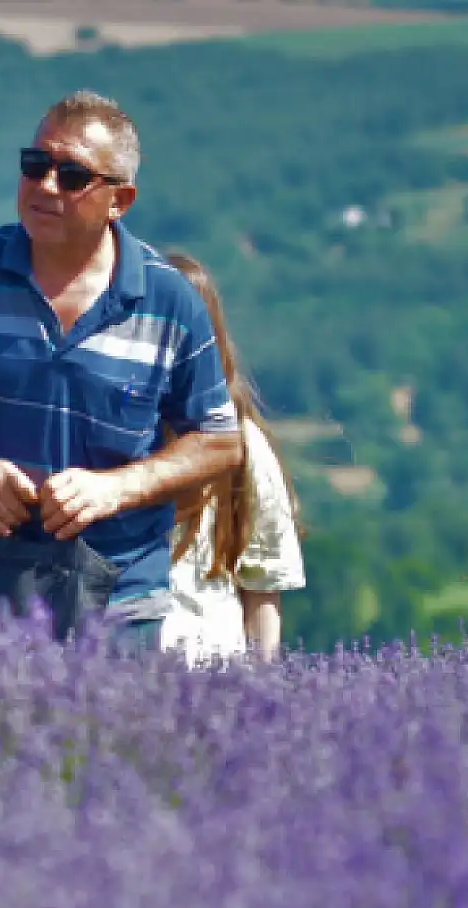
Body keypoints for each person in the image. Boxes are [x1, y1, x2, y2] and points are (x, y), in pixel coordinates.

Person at [0, 91, 243, 653]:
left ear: (120, 200)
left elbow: (218, 443)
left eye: (71, 176)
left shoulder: (169, 301)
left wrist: (116, 488)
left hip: (119, 599)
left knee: (110, 744)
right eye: (35, 166)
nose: (45, 185)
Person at [158, 250, 305, 665]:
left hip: (213, 671)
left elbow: (263, 582)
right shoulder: (110, 430)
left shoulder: (243, 444)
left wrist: (261, 687)